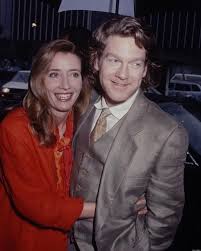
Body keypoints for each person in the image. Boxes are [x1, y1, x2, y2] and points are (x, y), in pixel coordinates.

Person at [70, 16, 189, 251]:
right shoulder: (81, 102)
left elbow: (163, 222)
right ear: (96, 61)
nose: (123, 74)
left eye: (135, 64)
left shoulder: (166, 133)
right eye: (114, 60)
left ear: (145, 69)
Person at [0, 39, 95, 251]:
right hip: (25, 239)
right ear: (39, 80)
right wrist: (110, 208)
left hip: (70, 239)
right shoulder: (15, 127)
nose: (66, 85)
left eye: (74, 74)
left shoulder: (81, 122)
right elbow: (36, 205)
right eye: (54, 74)